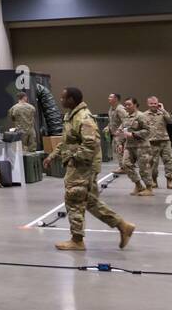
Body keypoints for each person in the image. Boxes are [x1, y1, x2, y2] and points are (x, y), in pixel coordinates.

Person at [43, 87, 135, 251]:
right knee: (90, 201)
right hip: (80, 164)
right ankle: (123, 226)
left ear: (72, 100)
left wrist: (73, 158)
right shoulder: (71, 117)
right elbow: (67, 142)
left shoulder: (83, 118)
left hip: (82, 166)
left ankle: (77, 240)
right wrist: (52, 156)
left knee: (74, 199)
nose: (61, 100)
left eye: (64, 98)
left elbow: (91, 145)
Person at [118, 97, 152, 195]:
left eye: (129, 104)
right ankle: (138, 185)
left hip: (142, 146)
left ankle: (149, 188)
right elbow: (123, 131)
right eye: (126, 105)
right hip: (129, 146)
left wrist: (133, 134)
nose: (127, 106)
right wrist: (120, 143)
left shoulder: (141, 116)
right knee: (125, 165)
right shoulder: (126, 117)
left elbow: (148, 131)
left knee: (143, 168)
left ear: (135, 105)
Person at [144, 97, 172, 190]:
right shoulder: (144, 115)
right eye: (151, 103)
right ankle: (154, 181)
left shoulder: (163, 113)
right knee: (153, 164)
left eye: (155, 103)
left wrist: (163, 109)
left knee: (169, 161)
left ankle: (169, 181)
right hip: (151, 142)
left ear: (158, 103)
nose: (154, 105)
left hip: (164, 141)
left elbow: (171, 121)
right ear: (148, 104)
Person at [105, 93, 126, 174]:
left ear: (116, 99)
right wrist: (108, 127)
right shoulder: (111, 108)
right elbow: (112, 121)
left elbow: (126, 120)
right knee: (118, 150)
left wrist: (120, 130)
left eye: (111, 97)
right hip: (115, 133)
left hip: (120, 134)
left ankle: (123, 167)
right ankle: (124, 166)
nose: (108, 98)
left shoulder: (120, 109)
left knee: (119, 150)